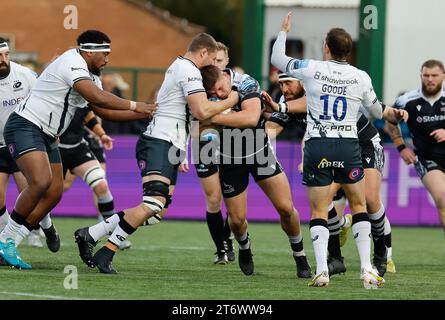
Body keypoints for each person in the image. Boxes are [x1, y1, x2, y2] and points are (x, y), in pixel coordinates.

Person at [74, 32, 238, 274]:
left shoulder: (182, 67)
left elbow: (186, 113)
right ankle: (106, 252)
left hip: (169, 143)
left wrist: (182, 151)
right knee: (152, 204)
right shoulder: (190, 70)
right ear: (203, 53)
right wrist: (232, 98)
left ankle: (91, 234)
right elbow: (202, 111)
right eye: (213, 59)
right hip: (159, 141)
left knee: (155, 213)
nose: (214, 65)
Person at [0, 30, 155, 269]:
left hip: (47, 134)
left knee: (54, 193)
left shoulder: (92, 74)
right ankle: (5, 239)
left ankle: (12, 242)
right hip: (25, 125)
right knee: (40, 182)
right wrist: (136, 105)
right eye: (104, 53)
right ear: (89, 52)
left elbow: (103, 110)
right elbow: (97, 97)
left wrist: (145, 113)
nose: (107, 59)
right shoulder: (72, 61)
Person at [271, 13, 405, 288]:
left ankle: (322, 271)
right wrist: (393, 113)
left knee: (319, 208)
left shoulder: (311, 68)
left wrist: (283, 31)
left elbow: (277, 59)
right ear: (350, 50)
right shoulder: (360, 76)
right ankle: (366, 268)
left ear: (326, 47)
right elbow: (377, 111)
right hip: (348, 143)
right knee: (359, 206)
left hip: (319, 143)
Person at [199, 65, 312, 278]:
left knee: (287, 208)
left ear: (225, 75)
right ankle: (244, 247)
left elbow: (250, 118)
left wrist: (214, 117)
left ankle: (300, 256)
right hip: (229, 158)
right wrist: (223, 116)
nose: (219, 95)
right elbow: (199, 127)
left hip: (259, 151)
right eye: (213, 95)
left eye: (221, 89)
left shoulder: (246, 81)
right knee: (237, 220)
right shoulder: (200, 91)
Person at [0, 38, 59, 254]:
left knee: (33, 188)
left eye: (6, 55)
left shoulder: (24, 75)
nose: (3, 60)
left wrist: (49, 129)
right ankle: (6, 240)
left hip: (21, 141)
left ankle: (47, 227)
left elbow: (43, 98)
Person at [386, 59, 445, 236]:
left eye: (434, 75)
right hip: (428, 158)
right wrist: (401, 147)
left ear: (443, 76)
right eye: (426, 75)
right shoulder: (406, 100)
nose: (430, 79)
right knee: (442, 198)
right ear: (421, 75)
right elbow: (390, 122)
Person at [59, 107, 131, 250]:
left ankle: (112, 232)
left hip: (90, 142)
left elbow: (94, 113)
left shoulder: (95, 88)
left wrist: (101, 133)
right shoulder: (67, 89)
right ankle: (39, 228)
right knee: (58, 187)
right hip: (65, 142)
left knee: (100, 185)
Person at [193, 41, 235, 264]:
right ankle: (221, 249)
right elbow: (192, 121)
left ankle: (228, 237)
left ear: (226, 61)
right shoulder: (198, 84)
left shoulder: (240, 83)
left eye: (219, 61)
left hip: (236, 145)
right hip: (206, 144)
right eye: (212, 61)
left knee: (233, 199)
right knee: (213, 199)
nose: (215, 65)